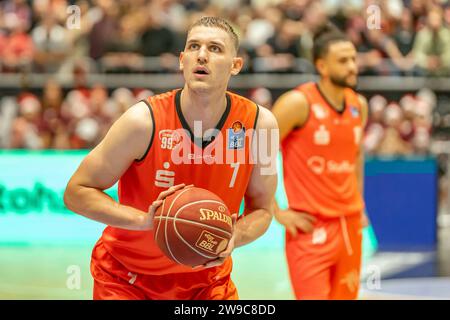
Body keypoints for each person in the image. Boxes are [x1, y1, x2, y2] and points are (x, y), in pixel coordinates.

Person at [63, 16, 278, 300]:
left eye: (215, 48)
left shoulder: (260, 125)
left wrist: (234, 236)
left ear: (236, 65)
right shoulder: (143, 120)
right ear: (182, 60)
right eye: (194, 47)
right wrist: (144, 221)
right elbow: (76, 192)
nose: (202, 55)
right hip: (126, 279)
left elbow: (262, 209)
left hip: (207, 282)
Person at [271, 23, 368, 300]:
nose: (352, 66)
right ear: (322, 66)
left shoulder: (358, 104)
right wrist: (275, 211)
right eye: (343, 61)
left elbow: (357, 156)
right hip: (309, 227)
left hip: (350, 226)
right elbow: (256, 153)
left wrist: (359, 202)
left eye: (353, 59)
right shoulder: (297, 103)